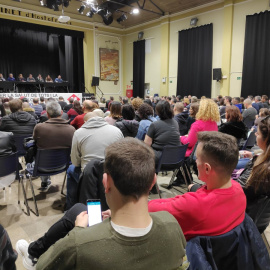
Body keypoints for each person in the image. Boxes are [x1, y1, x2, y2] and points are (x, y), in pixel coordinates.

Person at [16, 138, 186, 270]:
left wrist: (78, 231)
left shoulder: (77, 243)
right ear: (153, 182)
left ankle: (32, 252)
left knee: (77, 210)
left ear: (106, 182)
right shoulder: (172, 224)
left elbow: (42, 266)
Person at [149, 131, 246, 241]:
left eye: (197, 158)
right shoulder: (238, 189)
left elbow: (149, 208)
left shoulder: (193, 206)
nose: (195, 162)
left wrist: (147, 187)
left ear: (207, 168)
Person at [66, 110, 123, 209]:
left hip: (88, 177)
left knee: (71, 169)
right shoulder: (116, 130)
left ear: (85, 122)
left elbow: (75, 162)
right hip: (114, 174)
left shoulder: (79, 133)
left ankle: (71, 207)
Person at [30, 101, 75, 189]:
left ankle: (44, 181)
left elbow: (34, 140)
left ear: (47, 114)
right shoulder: (71, 129)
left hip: (42, 167)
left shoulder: (39, 127)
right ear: (61, 113)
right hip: (63, 166)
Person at [237, 116, 270, 204]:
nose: (255, 134)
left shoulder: (262, 170)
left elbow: (240, 191)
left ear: (267, 139)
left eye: (258, 134)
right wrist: (253, 154)